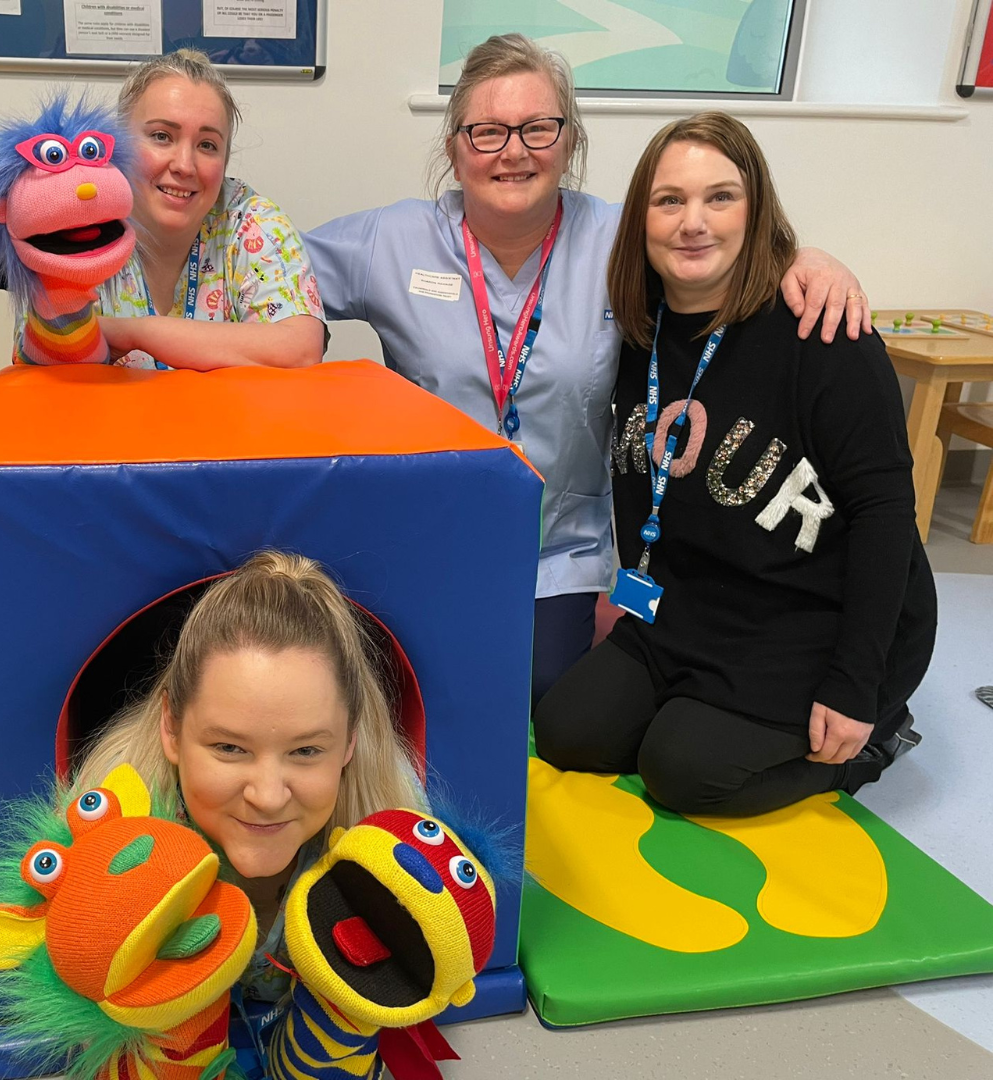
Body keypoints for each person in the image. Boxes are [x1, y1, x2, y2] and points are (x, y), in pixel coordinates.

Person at [303, 34, 875, 703]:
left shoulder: (621, 239)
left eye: (538, 128)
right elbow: (272, 285)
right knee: (404, 695)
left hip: (559, 547)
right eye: (487, 131)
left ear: (570, 142)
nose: (514, 151)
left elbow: (716, 248)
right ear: (455, 148)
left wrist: (804, 257)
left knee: (544, 693)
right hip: (428, 536)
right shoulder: (389, 241)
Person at [531, 111, 937, 816]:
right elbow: (647, 502)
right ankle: (699, 707)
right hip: (687, 611)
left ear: (756, 211)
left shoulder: (824, 333)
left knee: (683, 771)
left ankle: (875, 742)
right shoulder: (635, 332)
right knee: (568, 731)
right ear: (642, 221)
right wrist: (628, 599)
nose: (694, 222)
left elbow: (885, 515)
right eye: (670, 200)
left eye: (720, 197)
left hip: (808, 620)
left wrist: (854, 685)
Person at [66, 551, 423, 1006]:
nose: (269, 796)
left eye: (306, 750)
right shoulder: (112, 813)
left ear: (349, 742)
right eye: (229, 748)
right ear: (172, 728)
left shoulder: (391, 823)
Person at [90, 49, 327, 370]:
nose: (185, 165)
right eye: (161, 136)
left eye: (207, 145)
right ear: (116, 145)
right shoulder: (80, 218)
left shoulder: (250, 221)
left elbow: (300, 350)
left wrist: (135, 332)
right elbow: (45, 354)